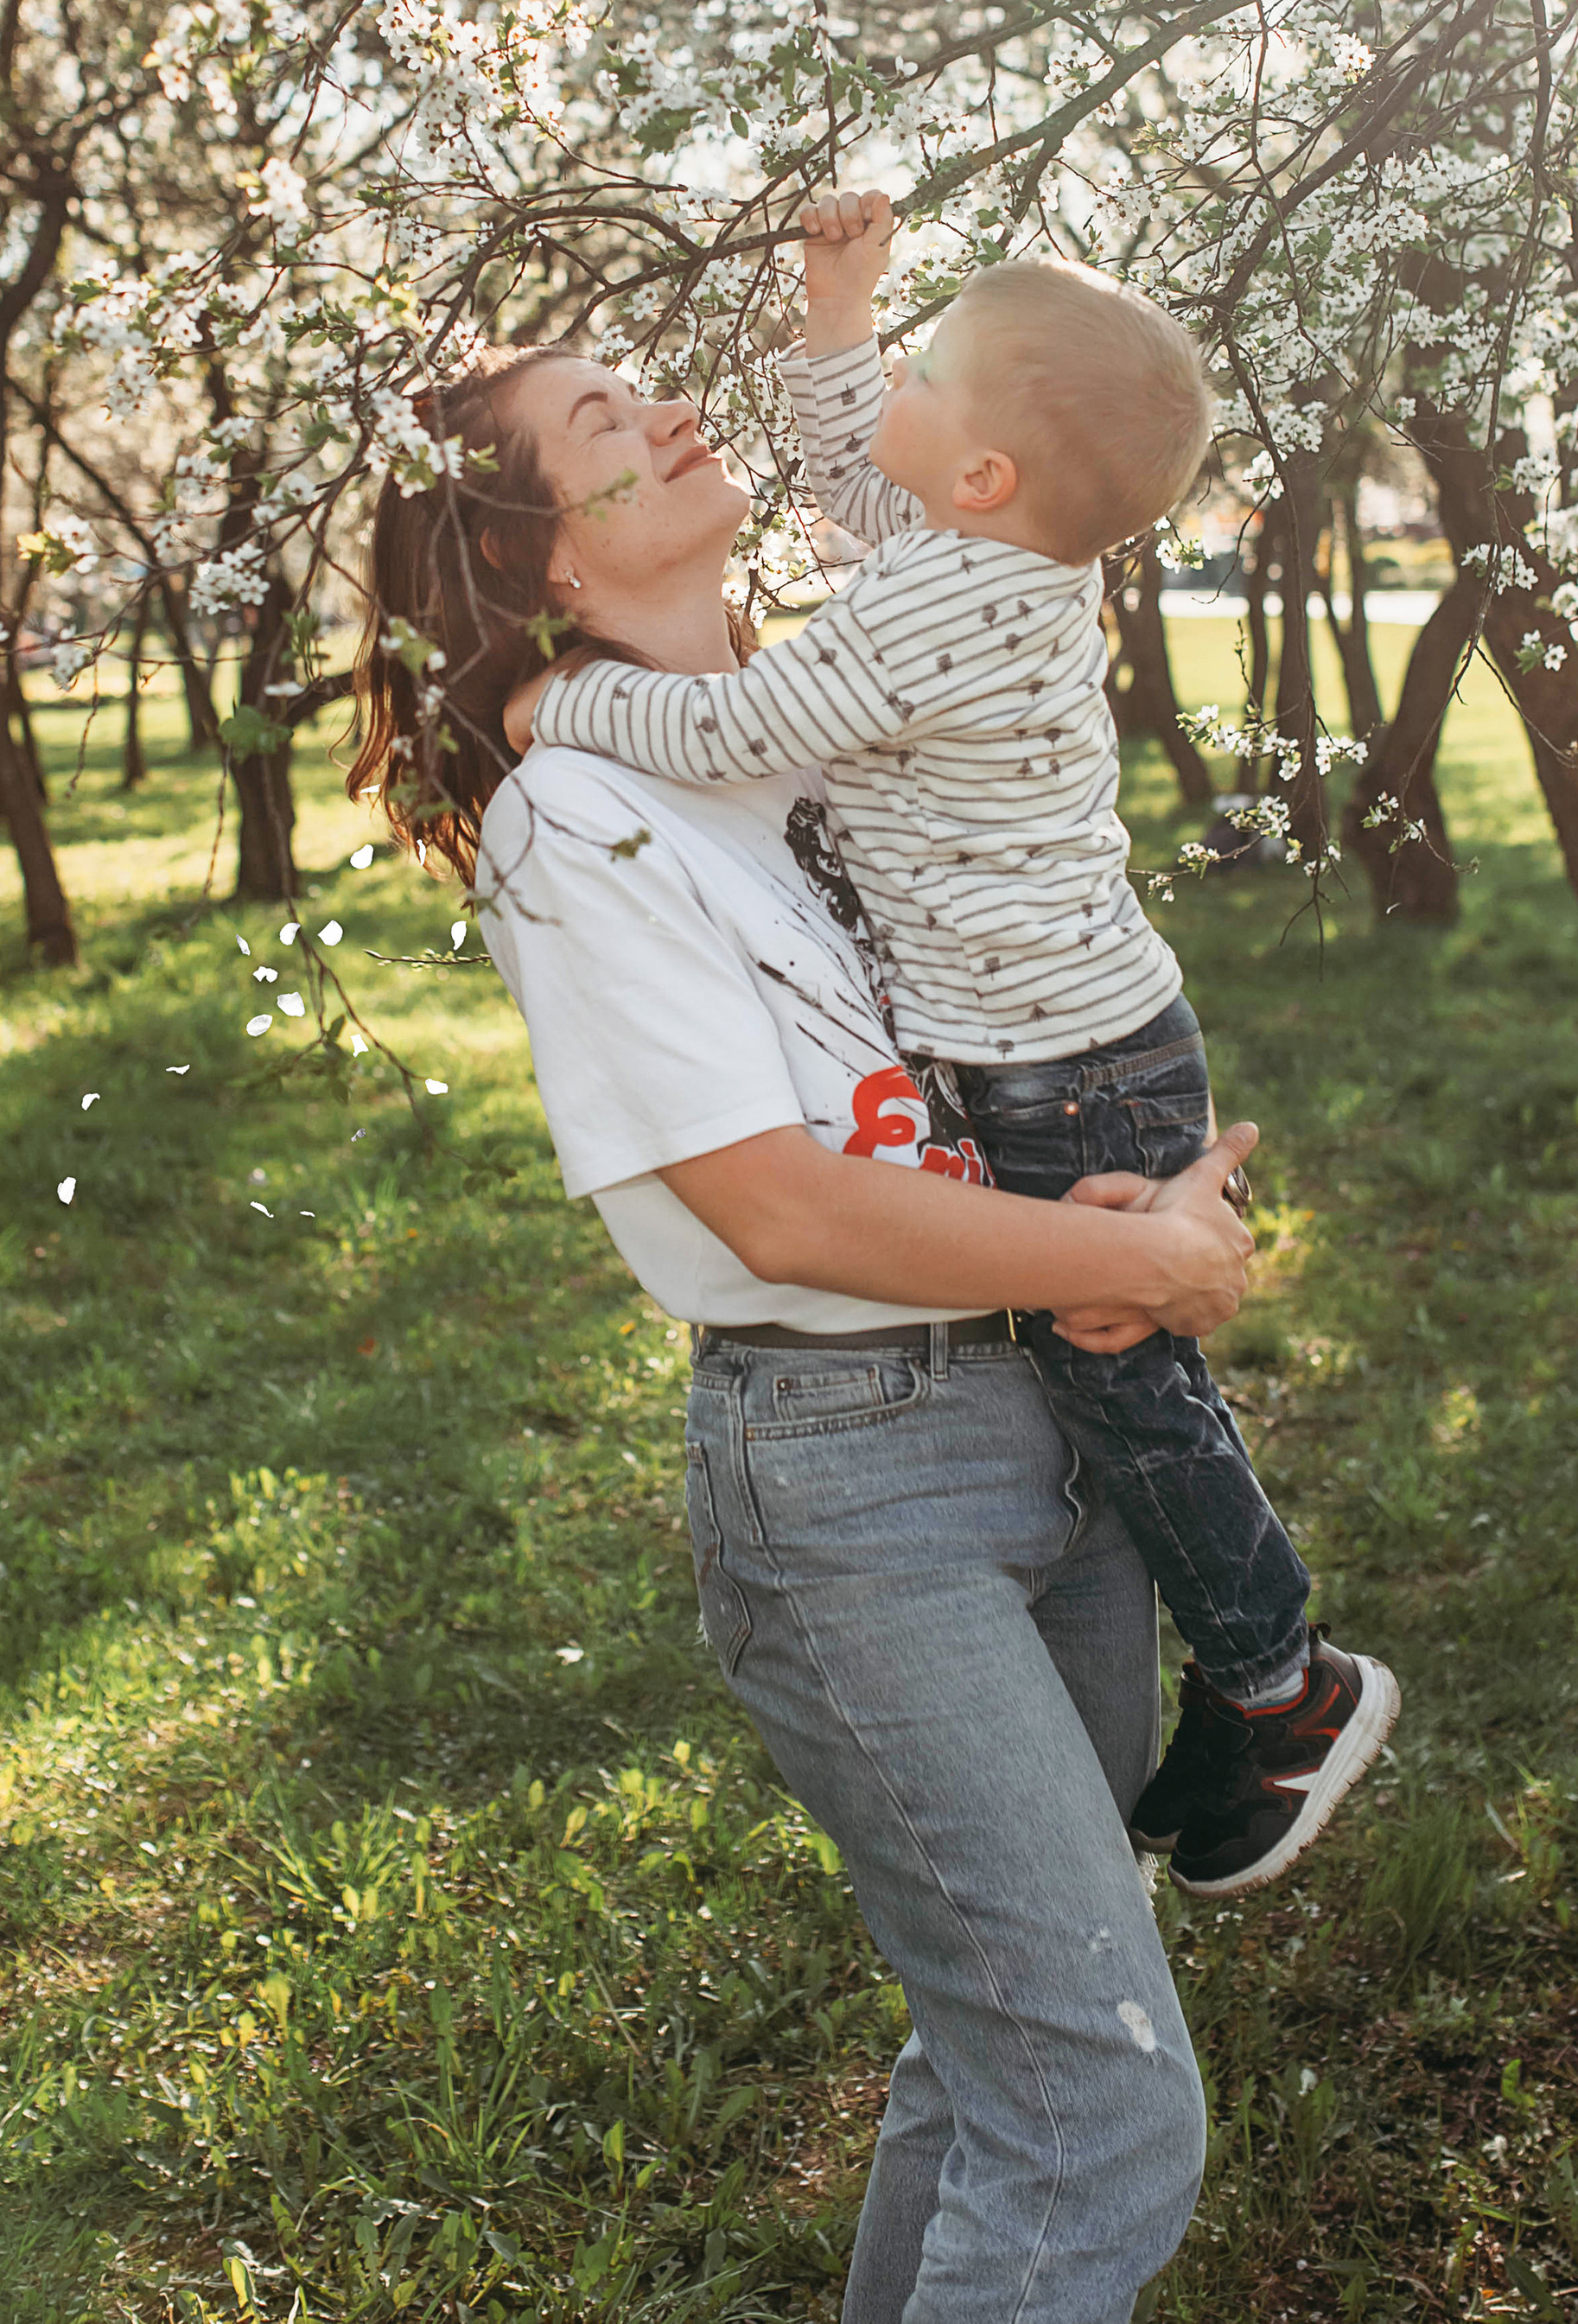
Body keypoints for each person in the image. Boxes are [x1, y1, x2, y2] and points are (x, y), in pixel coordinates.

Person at [350, 341, 1263, 2323]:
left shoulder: (814, 724)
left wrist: (1112, 1212)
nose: (669, 412)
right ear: (534, 556)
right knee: (1101, 2115)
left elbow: (963, 1066)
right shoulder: (577, 816)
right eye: (601, 426)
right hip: (859, 1484)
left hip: (1053, 1414)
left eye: (649, 389)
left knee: (1000, 2059)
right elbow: (772, 1205)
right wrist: (1126, 1270)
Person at [509, 194, 1399, 1896]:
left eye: (921, 375)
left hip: (1063, 1061)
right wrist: (840, 315)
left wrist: (563, 701)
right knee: (1119, 1348)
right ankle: (1263, 1673)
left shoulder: (940, 607)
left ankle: (1279, 1680)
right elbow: (857, 472)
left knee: (1124, 1369)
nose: (888, 398)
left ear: (981, 475)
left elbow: (739, 723)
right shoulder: (970, 548)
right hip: (1068, 1037)